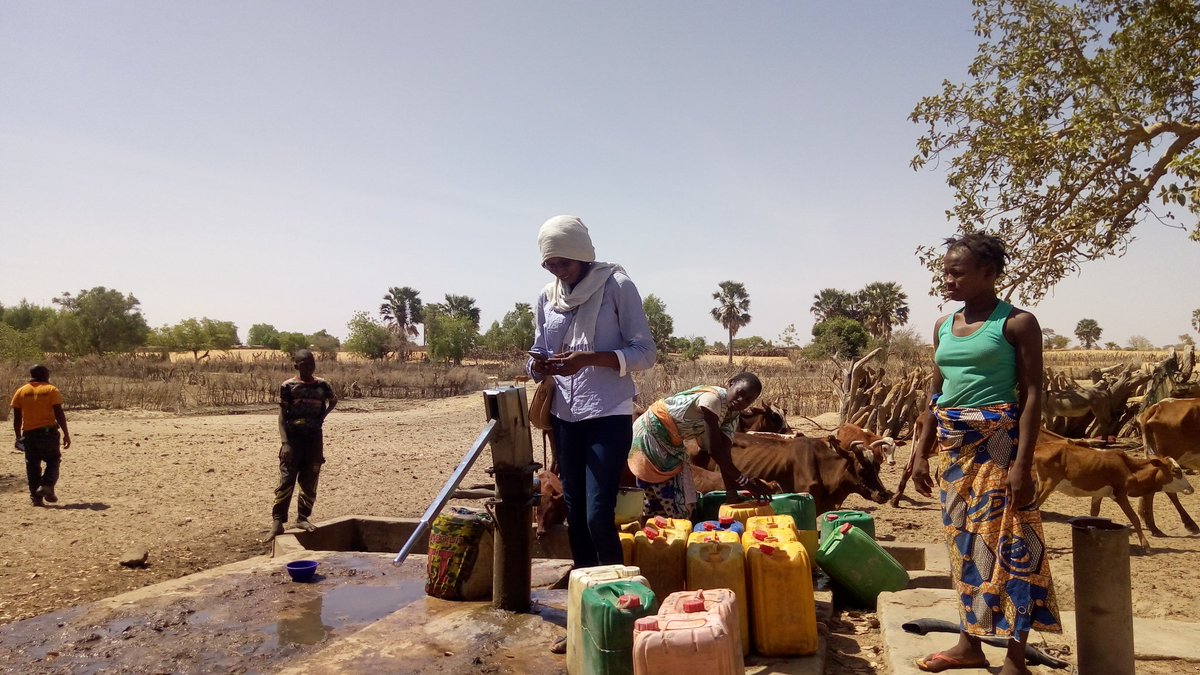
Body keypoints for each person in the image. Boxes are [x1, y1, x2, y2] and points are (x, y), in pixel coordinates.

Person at [909, 233, 1060, 675]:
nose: (947, 279)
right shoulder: (942, 326)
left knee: (1011, 544)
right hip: (954, 453)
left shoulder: (1017, 323)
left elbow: (1033, 394)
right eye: (946, 271)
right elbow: (934, 394)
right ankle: (968, 645)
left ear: (990, 274)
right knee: (964, 545)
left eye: (957, 272)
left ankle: (1016, 657)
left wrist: (1022, 464)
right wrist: (921, 452)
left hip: (1000, 449)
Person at [527, 214, 656, 571]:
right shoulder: (547, 297)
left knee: (598, 513)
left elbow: (645, 353)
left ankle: (615, 584)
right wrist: (538, 366)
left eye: (563, 262)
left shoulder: (616, 286)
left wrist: (591, 360)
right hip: (565, 415)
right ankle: (584, 584)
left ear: (581, 253)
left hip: (608, 413)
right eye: (550, 265)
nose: (558, 271)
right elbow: (538, 350)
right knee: (576, 511)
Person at [628, 373, 774, 518]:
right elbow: (714, 450)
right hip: (651, 434)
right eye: (739, 393)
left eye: (748, 400)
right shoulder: (713, 399)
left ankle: (657, 533)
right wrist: (745, 483)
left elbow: (724, 454)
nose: (741, 401)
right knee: (679, 504)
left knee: (676, 498)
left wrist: (732, 494)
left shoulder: (732, 415)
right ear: (730, 384)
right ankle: (669, 533)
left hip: (672, 443)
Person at [270, 349, 337, 537]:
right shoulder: (288, 386)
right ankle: (277, 521)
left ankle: (302, 518)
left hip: (314, 440)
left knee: (309, 480)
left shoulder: (323, 385)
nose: (308, 368)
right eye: (304, 365)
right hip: (293, 439)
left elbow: (333, 401)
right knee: (286, 480)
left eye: (311, 364)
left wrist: (322, 416)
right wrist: (285, 443)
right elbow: (282, 417)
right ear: (296, 366)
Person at [11, 364, 71, 507]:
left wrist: (18, 436)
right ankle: (47, 485)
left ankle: (36, 498)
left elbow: (17, 417)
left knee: (32, 466)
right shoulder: (51, 390)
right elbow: (59, 413)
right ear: (45, 375)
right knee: (53, 460)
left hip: (29, 435)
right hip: (48, 434)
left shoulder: (21, 391)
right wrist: (66, 434)